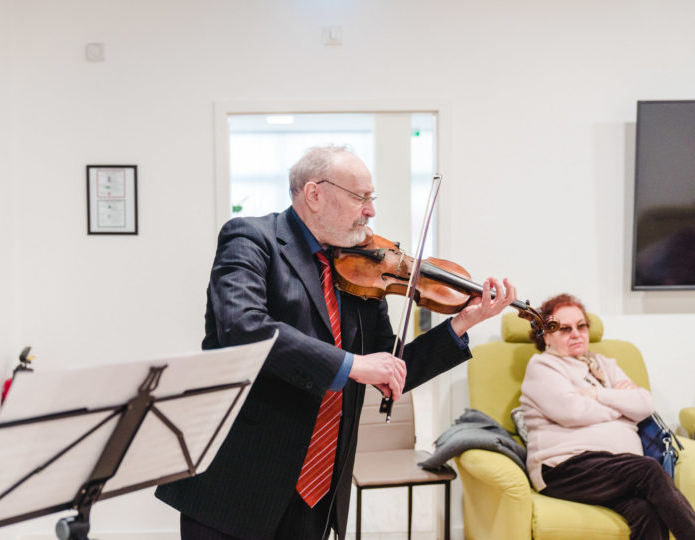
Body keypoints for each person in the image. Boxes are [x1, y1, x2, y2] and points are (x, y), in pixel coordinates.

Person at [155, 145, 516, 539]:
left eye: (371, 198)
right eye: (360, 197)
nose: (371, 210)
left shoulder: (361, 268)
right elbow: (242, 327)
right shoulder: (251, 238)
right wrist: (352, 365)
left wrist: (463, 323)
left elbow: (391, 369)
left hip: (320, 486)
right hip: (240, 478)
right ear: (314, 194)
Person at [520, 293, 695, 540]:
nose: (576, 334)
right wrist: (621, 406)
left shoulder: (603, 364)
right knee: (649, 469)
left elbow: (644, 405)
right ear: (546, 335)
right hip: (565, 470)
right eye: (564, 329)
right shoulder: (543, 367)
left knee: (647, 511)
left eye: (581, 326)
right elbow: (572, 411)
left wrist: (594, 394)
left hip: (615, 470)